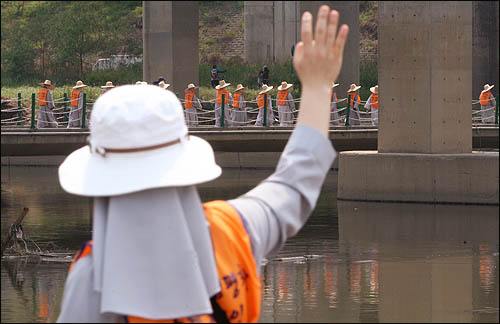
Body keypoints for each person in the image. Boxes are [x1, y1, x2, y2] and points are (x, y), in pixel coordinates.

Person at [56, 5, 348, 323]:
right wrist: (318, 88)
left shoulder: (94, 279)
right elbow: (294, 186)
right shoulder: (234, 230)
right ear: (184, 164)